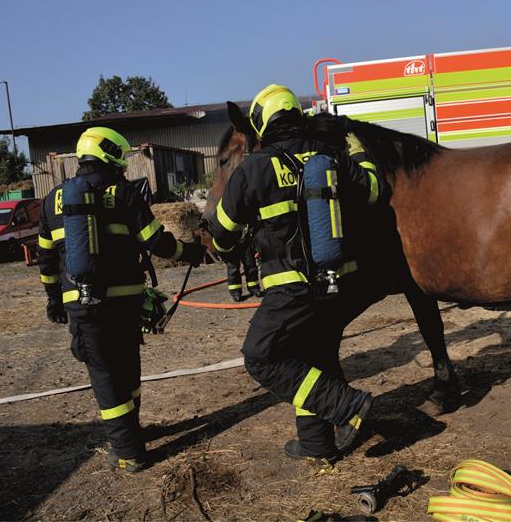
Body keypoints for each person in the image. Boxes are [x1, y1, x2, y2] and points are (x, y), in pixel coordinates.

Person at [205, 84, 384, 464]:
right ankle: (316, 444)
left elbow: (223, 233)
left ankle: (349, 405)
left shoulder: (255, 167)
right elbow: (372, 189)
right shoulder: (330, 156)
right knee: (311, 357)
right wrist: (355, 147)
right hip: (339, 285)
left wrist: (228, 251)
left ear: (261, 124)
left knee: (261, 357)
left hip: (291, 290)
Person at [37, 127, 206, 472]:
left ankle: (128, 450)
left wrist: (53, 299)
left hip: (83, 303)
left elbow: (46, 257)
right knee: (127, 365)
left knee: (104, 374)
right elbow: (156, 242)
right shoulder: (124, 193)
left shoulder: (53, 198)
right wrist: (190, 252)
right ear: (110, 155)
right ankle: (132, 438)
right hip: (127, 300)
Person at [226, 233, 261, 302]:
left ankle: (254, 288)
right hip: (231, 241)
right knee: (233, 268)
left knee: (250, 264)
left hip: (246, 239)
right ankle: (235, 292)